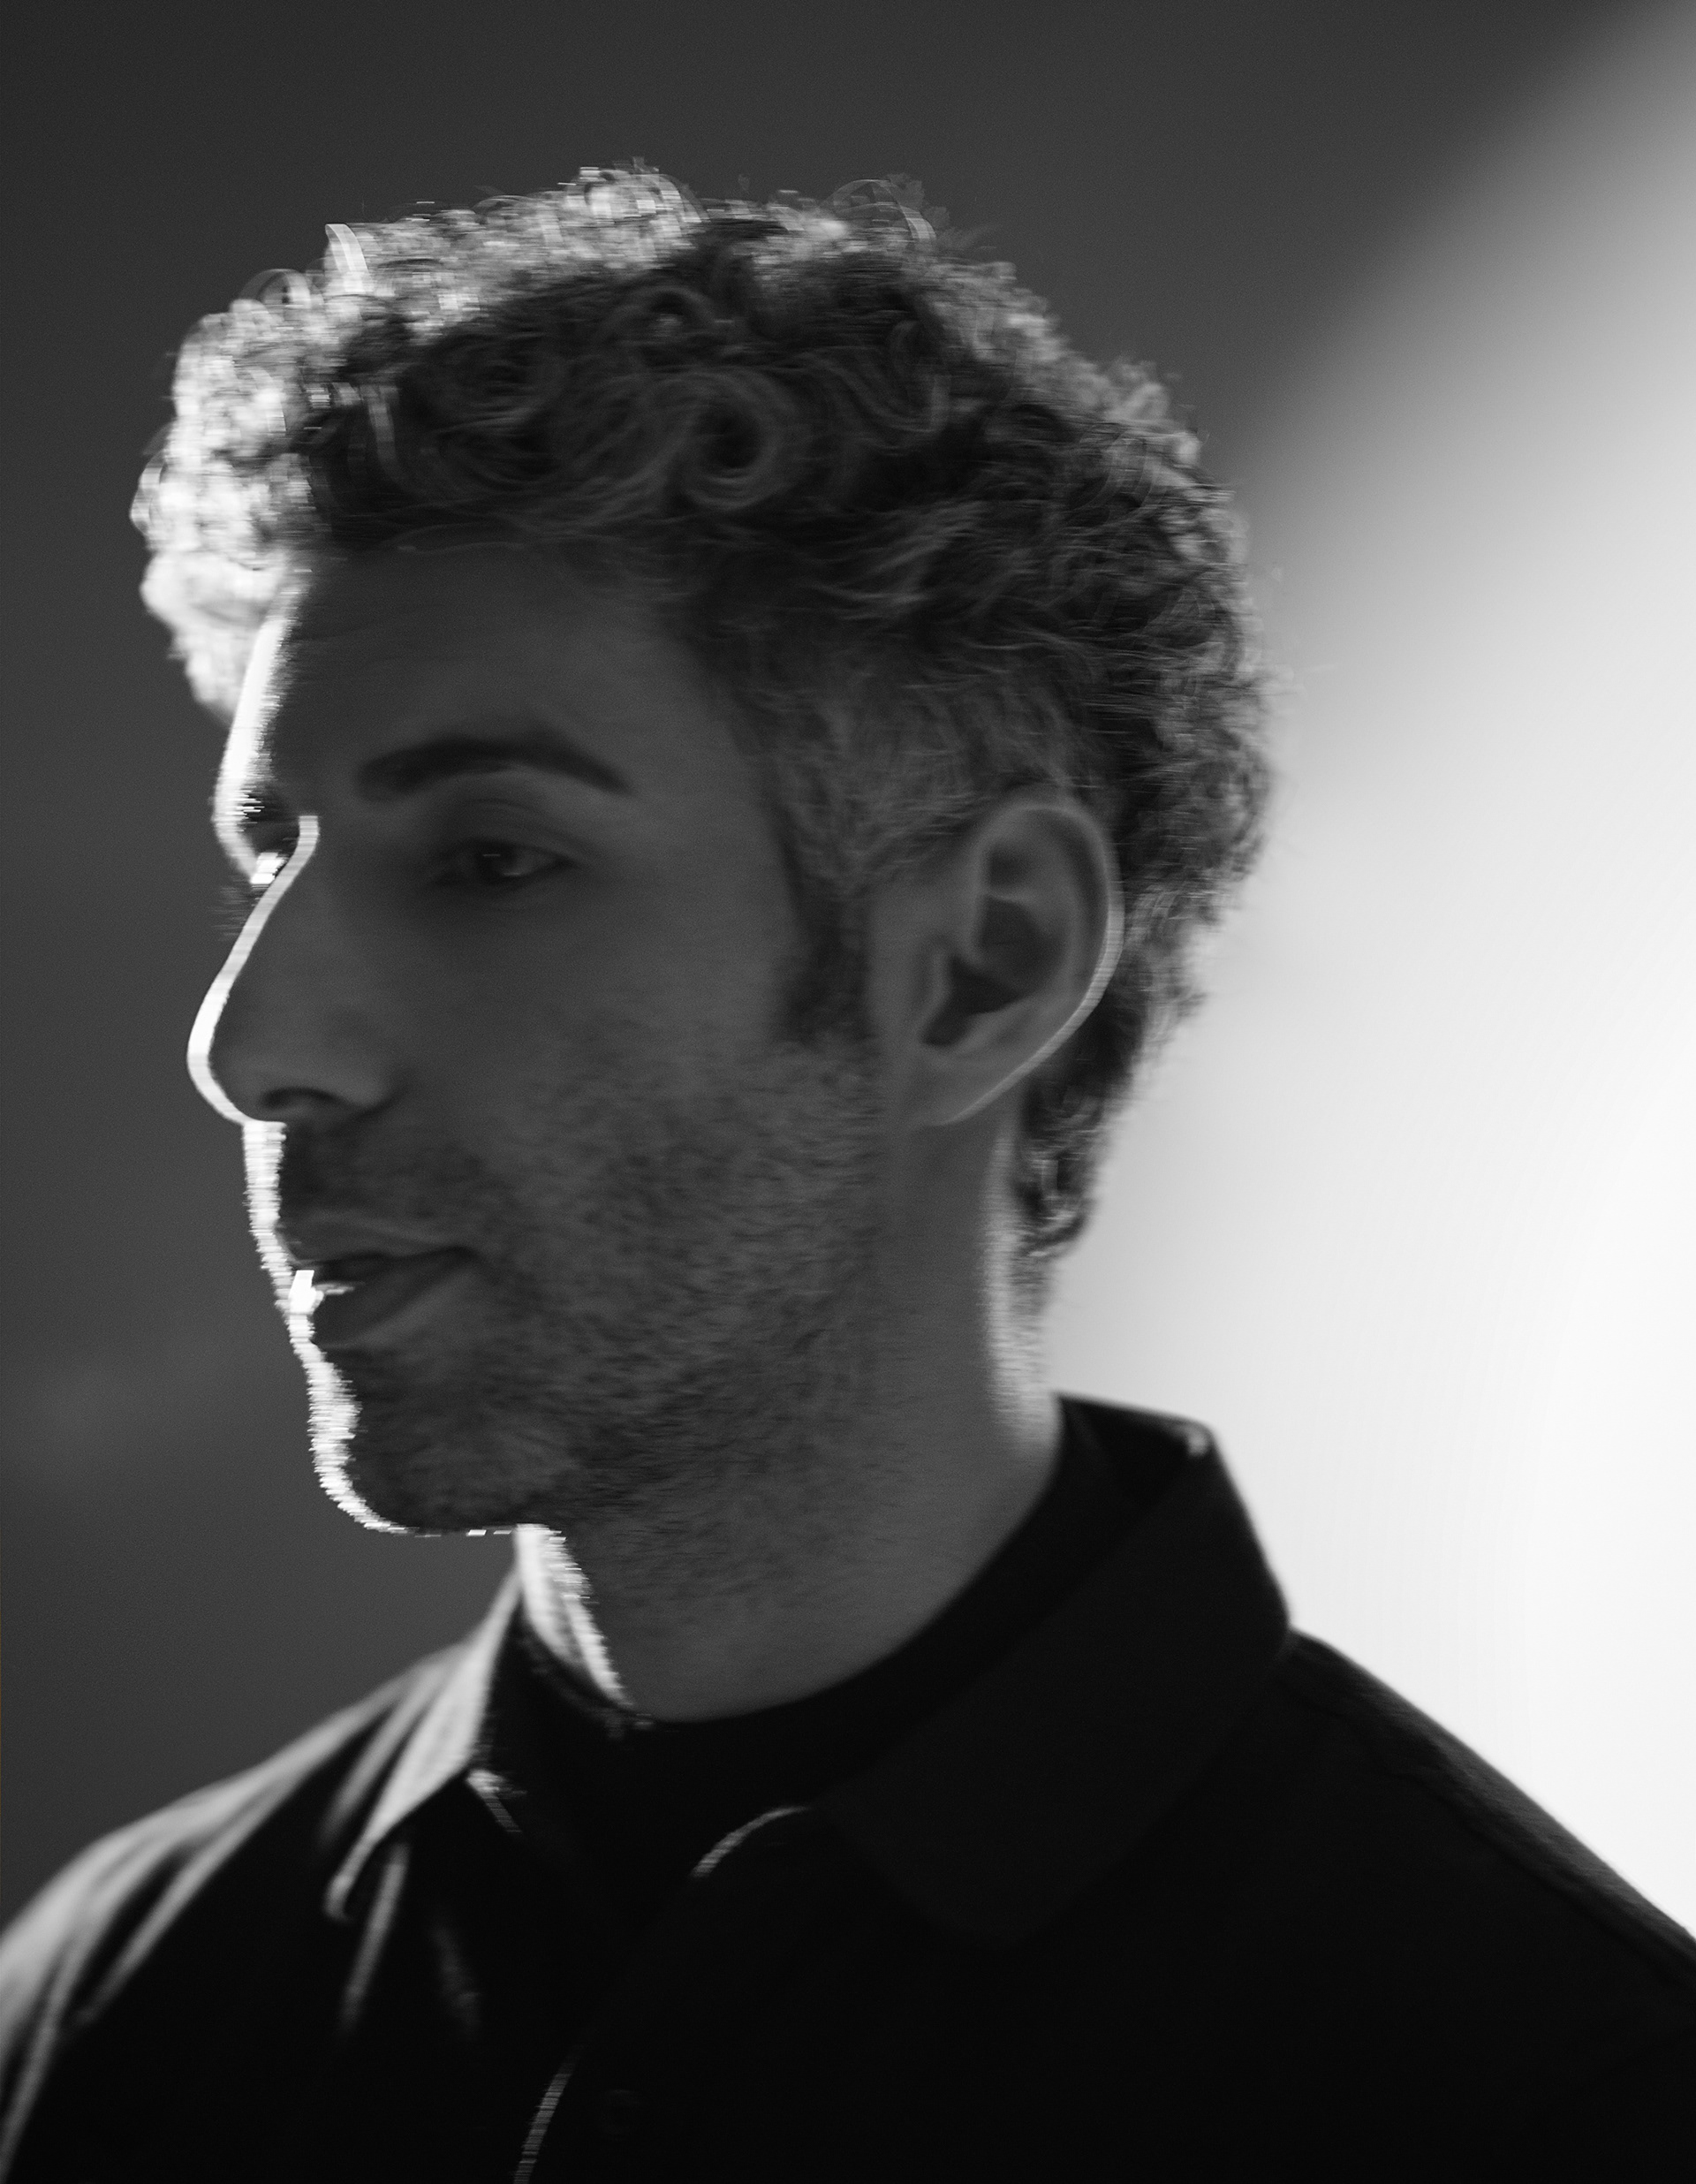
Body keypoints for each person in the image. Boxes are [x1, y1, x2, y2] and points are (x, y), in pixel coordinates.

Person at [0, 163, 1690, 2183]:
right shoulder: (116, 2015)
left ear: (984, 964)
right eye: (271, 860)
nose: (251, 1043)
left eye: (491, 860)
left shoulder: (1547, 2100)